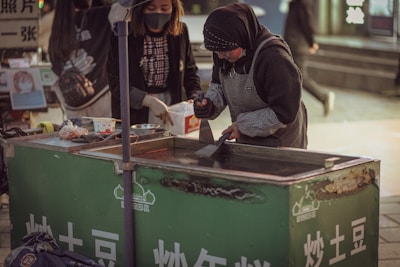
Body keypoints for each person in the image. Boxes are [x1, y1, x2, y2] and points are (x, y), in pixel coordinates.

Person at [194, 3, 307, 149]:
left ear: (242, 36)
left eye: (227, 50)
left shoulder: (273, 58)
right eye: (217, 51)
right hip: (248, 136)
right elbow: (219, 84)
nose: (221, 56)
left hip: (281, 142)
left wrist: (242, 126)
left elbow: (283, 113)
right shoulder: (222, 52)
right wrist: (209, 104)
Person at [107, 0, 201, 127]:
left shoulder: (180, 31)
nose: (158, 13)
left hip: (171, 108)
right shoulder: (124, 33)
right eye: (151, 8)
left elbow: (189, 71)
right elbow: (116, 82)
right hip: (135, 112)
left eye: (165, 8)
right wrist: (149, 101)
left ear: (173, 8)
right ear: (140, 8)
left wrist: (195, 96)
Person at [48, 0, 112, 119]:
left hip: (73, 106)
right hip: (101, 97)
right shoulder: (102, 15)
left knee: (78, 137)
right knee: (106, 136)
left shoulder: (58, 26)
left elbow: (55, 71)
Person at [283, 0, 334, 116]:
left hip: (298, 45)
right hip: (293, 43)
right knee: (289, 76)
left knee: (300, 77)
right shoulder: (296, 2)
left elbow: (307, 21)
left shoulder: (303, 2)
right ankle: (286, 107)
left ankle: (323, 97)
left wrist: (312, 42)